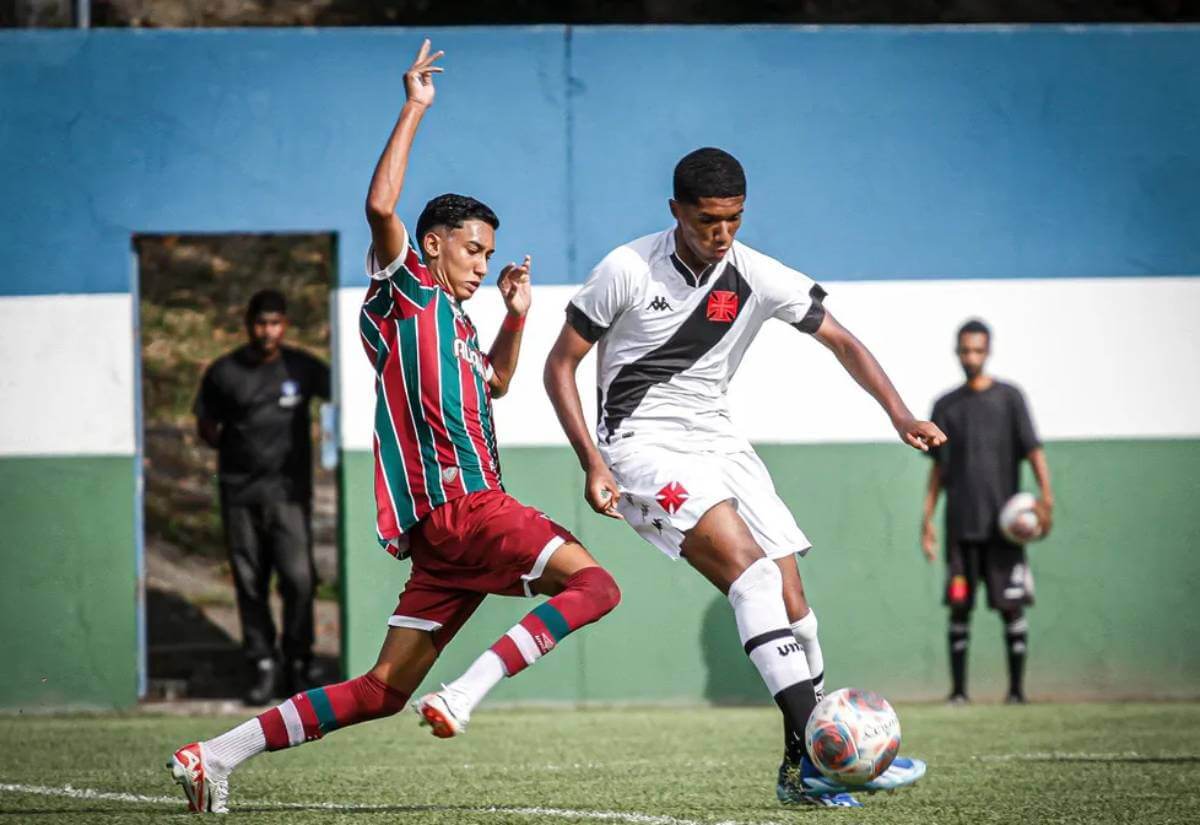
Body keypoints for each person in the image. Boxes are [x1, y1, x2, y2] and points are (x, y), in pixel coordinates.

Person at [168, 39, 620, 813]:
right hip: (469, 508)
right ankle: (467, 693)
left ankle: (212, 753)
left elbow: (502, 383)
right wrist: (415, 104)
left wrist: (515, 319)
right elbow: (381, 208)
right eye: (473, 250)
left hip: (440, 539)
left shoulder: (461, 328)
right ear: (434, 244)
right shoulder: (407, 291)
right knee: (597, 585)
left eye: (490, 253)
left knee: (380, 690)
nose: (483, 263)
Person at [543, 147, 943, 808]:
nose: (721, 232)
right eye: (707, 219)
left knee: (793, 603)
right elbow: (560, 366)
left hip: (721, 441)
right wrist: (592, 459)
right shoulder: (625, 269)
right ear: (676, 211)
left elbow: (840, 338)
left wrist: (899, 412)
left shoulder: (755, 273)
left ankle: (803, 771)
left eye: (733, 218)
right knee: (751, 574)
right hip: (641, 445)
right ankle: (825, 749)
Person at [194, 288, 330, 705]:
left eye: (274, 323)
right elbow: (206, 424)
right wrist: (238, 456)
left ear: (285, 324)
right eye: (260, 323)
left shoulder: (304, 368)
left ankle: (298, 661)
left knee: (299, 580)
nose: (267, 331)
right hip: (240, 494)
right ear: (248, 324)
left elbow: (342, 403)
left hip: (289, 495)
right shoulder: (223, 372)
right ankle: (262, 664)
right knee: (251, 583)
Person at [920, 319, 1054, 705]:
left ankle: (1016, 692)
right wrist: (927, 520)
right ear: (957, 351)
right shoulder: (945, 406)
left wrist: (1047, 499)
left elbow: (1034, 450)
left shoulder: (1010, 399)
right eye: (965, 350)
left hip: (1005, 531)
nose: (971, 357)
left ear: (988, 350)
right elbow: (938, 469)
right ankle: (959, 693)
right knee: (959, 609)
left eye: (977, 350)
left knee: (1011, 608)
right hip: (961, 529)